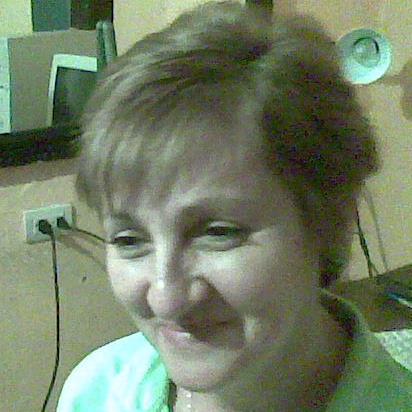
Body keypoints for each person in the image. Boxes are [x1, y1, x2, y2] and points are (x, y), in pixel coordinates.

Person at [57, 2, 412, 411]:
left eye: (218, 233)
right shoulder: (99, 390)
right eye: (129, 239)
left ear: (326, 221)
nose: (166, 299)